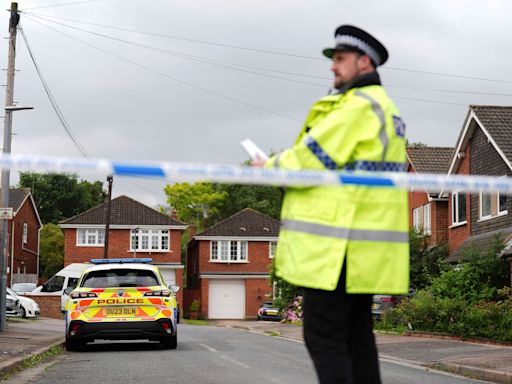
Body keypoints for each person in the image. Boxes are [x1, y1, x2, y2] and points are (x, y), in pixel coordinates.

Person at [253, 25, 409, 383]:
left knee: (323, 335)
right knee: (357, 338)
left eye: (340, 59)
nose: (333, 67)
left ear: (364, 62)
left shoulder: (357, 107)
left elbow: (309, 159)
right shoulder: (386, 109)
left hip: (338, 248)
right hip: (364, 248)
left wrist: (268, 166)